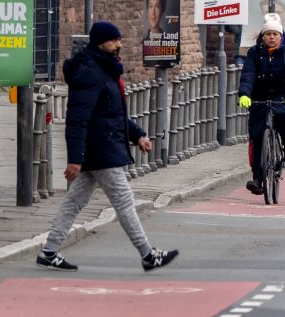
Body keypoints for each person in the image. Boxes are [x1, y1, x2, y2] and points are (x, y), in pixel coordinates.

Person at [36, 22, 178, 272]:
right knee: (124, 201)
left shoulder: (104, 69)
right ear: (100, 42)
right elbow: (78, 118)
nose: (119, 44)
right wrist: (75, 158)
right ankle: (147, 254)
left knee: (73, 203)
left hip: (101, 147)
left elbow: (112, 114)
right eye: (113, 40)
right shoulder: (91, 72)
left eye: (119, 39)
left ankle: (49, 251)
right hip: (101, 150)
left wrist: (138, 135)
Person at [237, 12, 285, 194]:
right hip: (260, 97)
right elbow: (248, 75)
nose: (271, 37)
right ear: (263, 36)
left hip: (282, 96)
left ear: (280, 36)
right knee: (256, 136)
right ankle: (257, 177)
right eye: (268, 34)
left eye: (275, 34)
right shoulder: (254, 53)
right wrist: (245, 94)